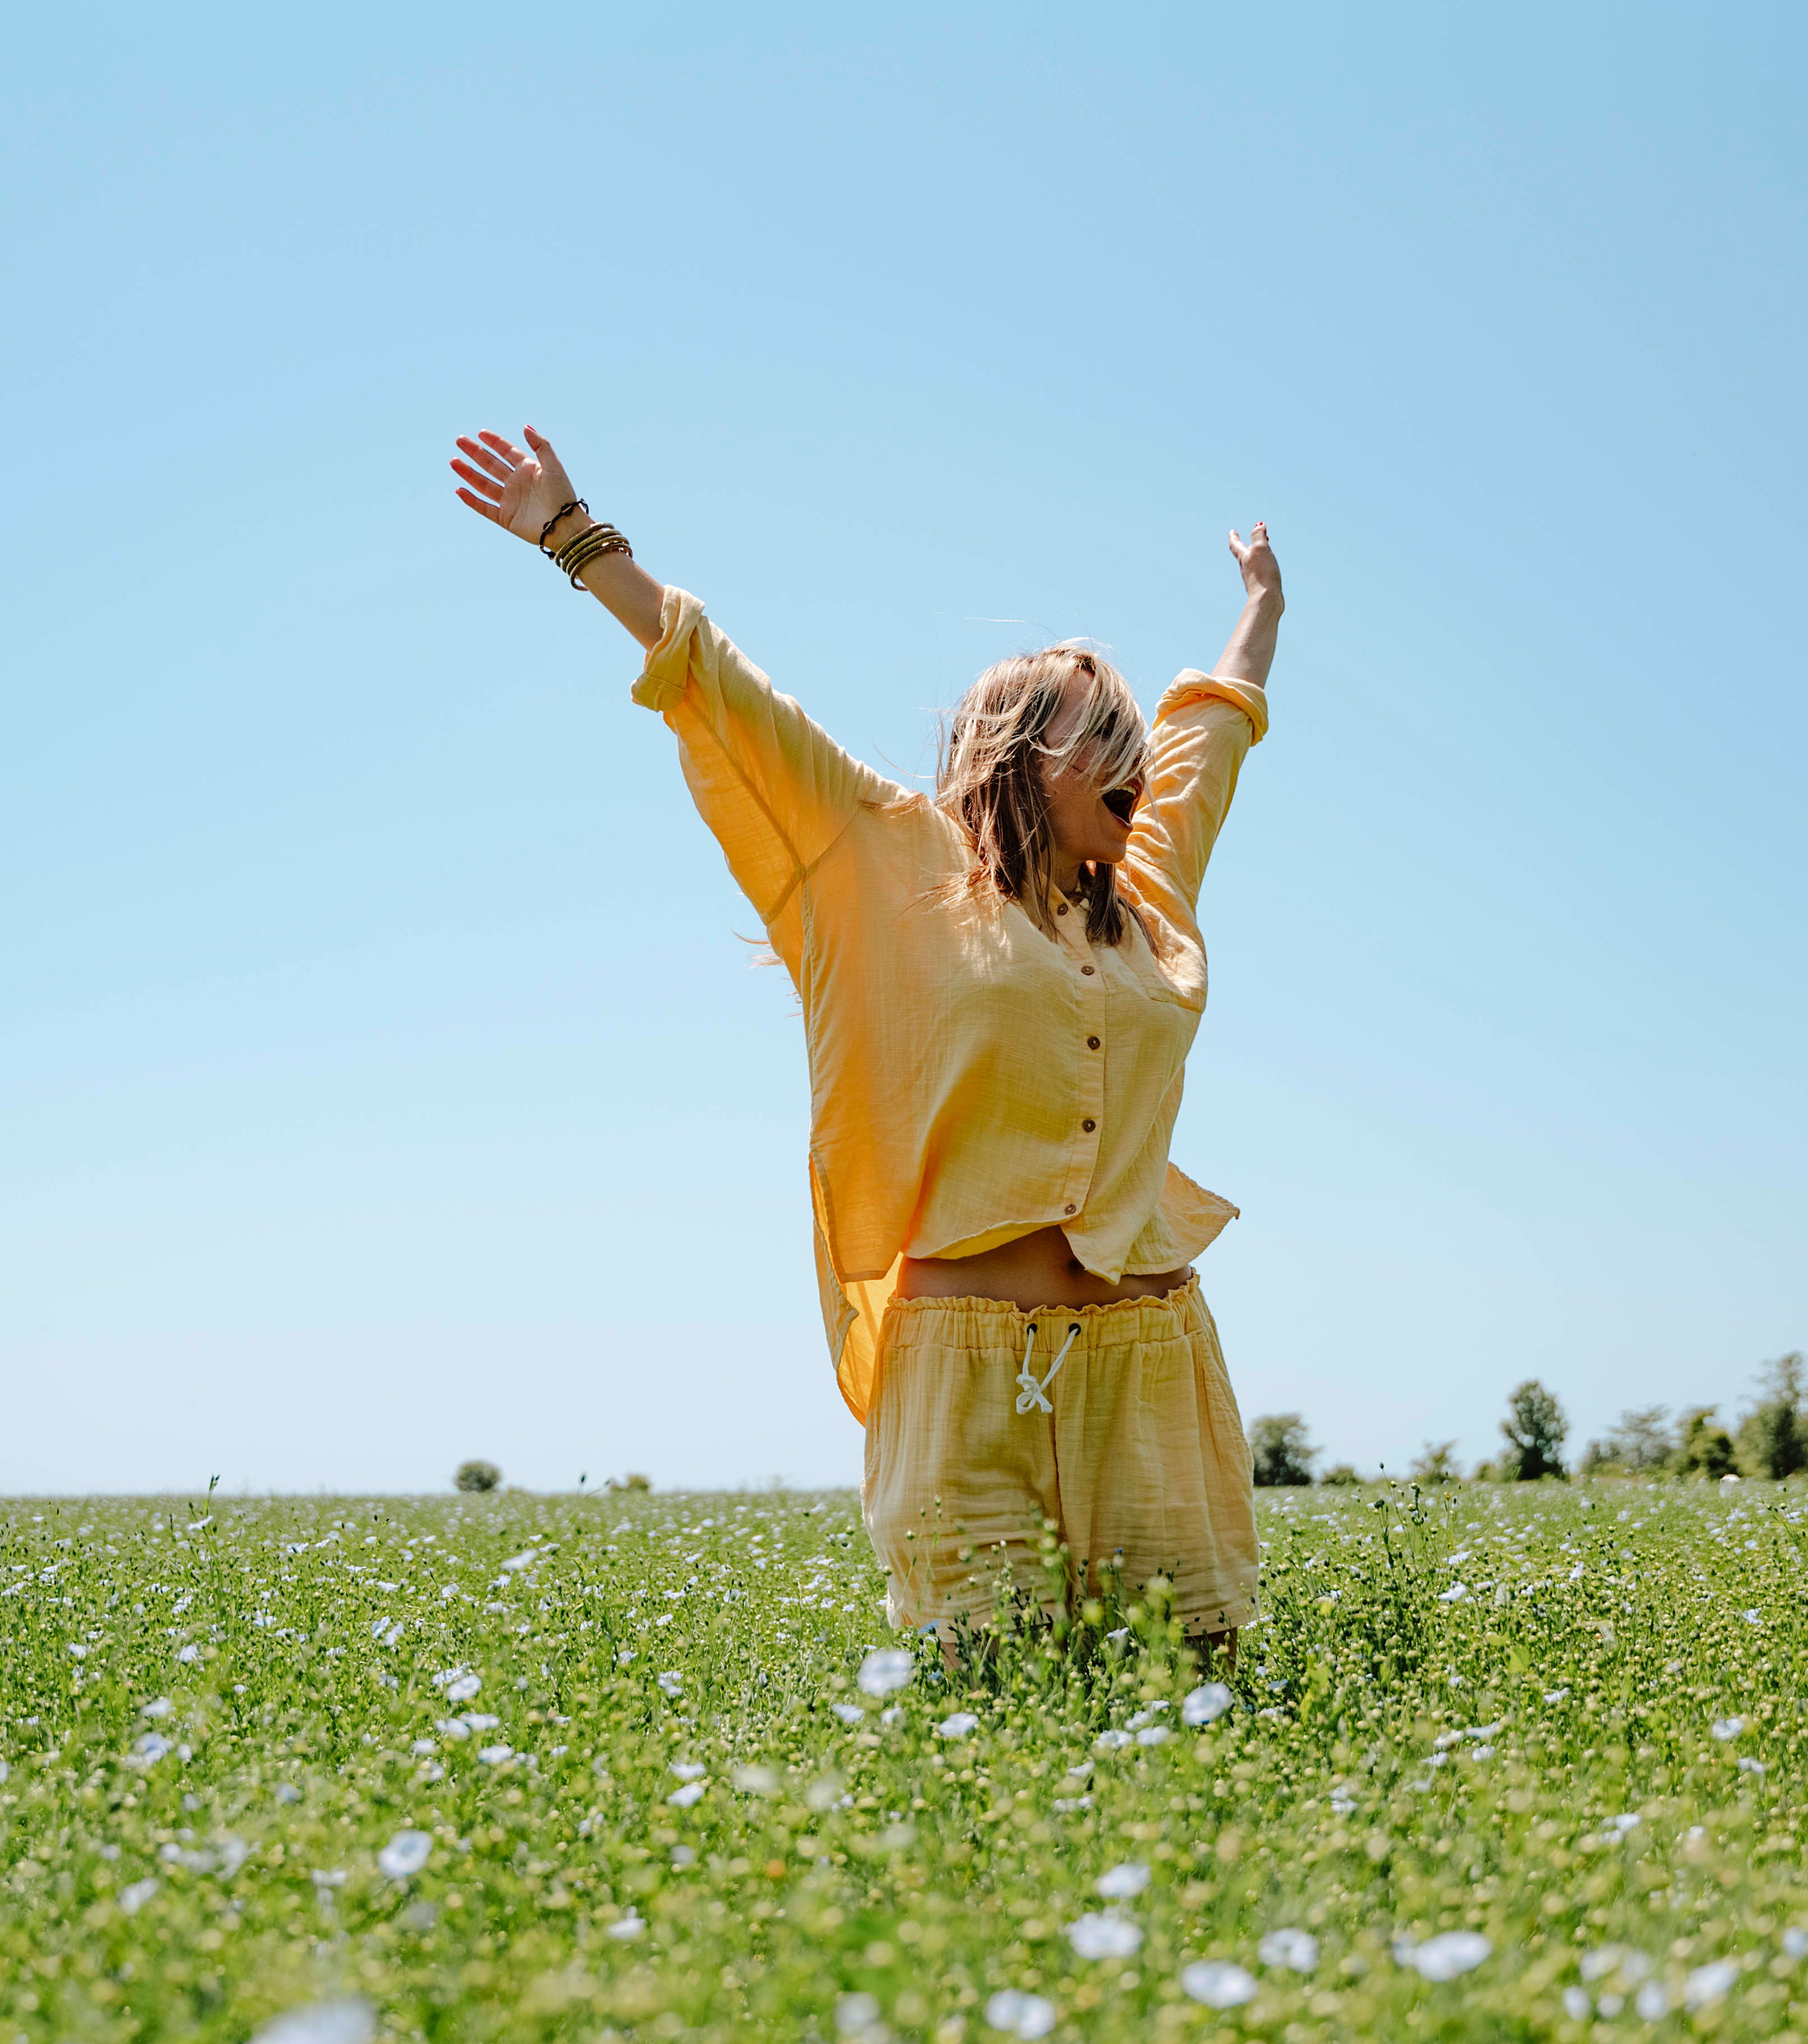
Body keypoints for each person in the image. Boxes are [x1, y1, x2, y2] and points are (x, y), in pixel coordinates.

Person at [450, 427, 1284, 1641]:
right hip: (962, 1374)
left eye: (1133, 738)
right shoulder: (887, 859)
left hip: (1151, 1369)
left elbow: (1212, 738)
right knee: (984, 1698)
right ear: (1024, 755)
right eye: (1103, 735)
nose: (1138, 761)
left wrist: (1258, 610)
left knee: (1199, 1685)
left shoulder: (1146, 896)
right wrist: (579, 541)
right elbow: (730, 694)